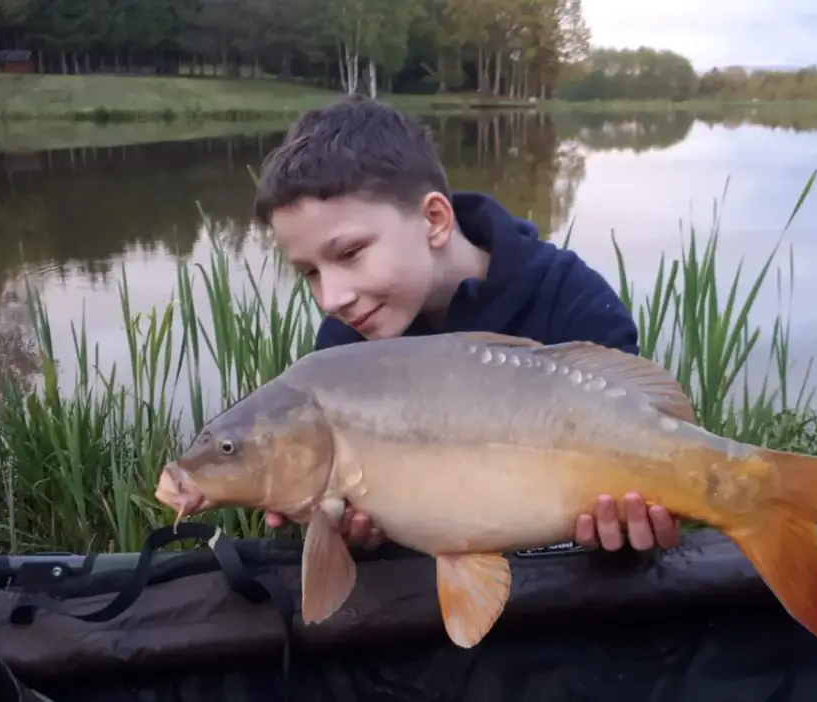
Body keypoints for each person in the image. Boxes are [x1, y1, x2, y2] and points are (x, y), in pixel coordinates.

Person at [251, 94, 685, 555]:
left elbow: (647, 434)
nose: (331, 297)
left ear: (434, 220)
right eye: (310, 273)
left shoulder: (572, 298)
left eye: (350, 253)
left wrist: (629, 536)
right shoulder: (343, 347)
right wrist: (358, 541)